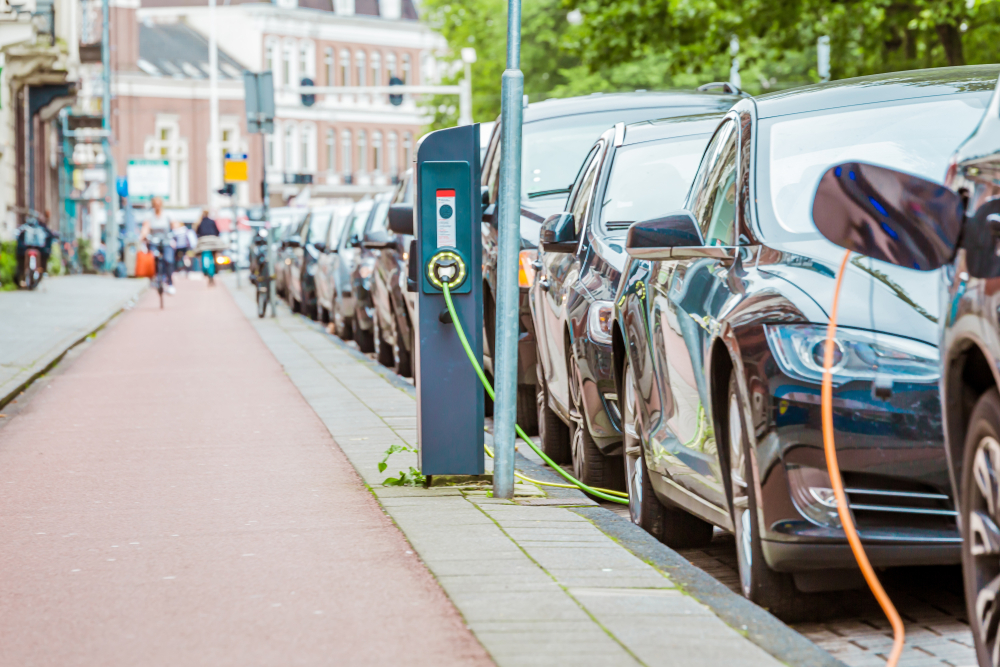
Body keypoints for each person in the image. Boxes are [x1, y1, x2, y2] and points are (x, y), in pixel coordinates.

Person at [140, 197, 175, 295]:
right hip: (154, 241)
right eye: (155, 204)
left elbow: (174, 225)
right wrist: (142, 236)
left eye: (159, 203)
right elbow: (146, 227)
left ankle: (170, 283)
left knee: (169, 260)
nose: (157, 206)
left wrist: (176, 233)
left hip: (166, 240)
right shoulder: (149, 215)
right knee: (152, 258)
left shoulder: (168, 214)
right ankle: (155, 278)